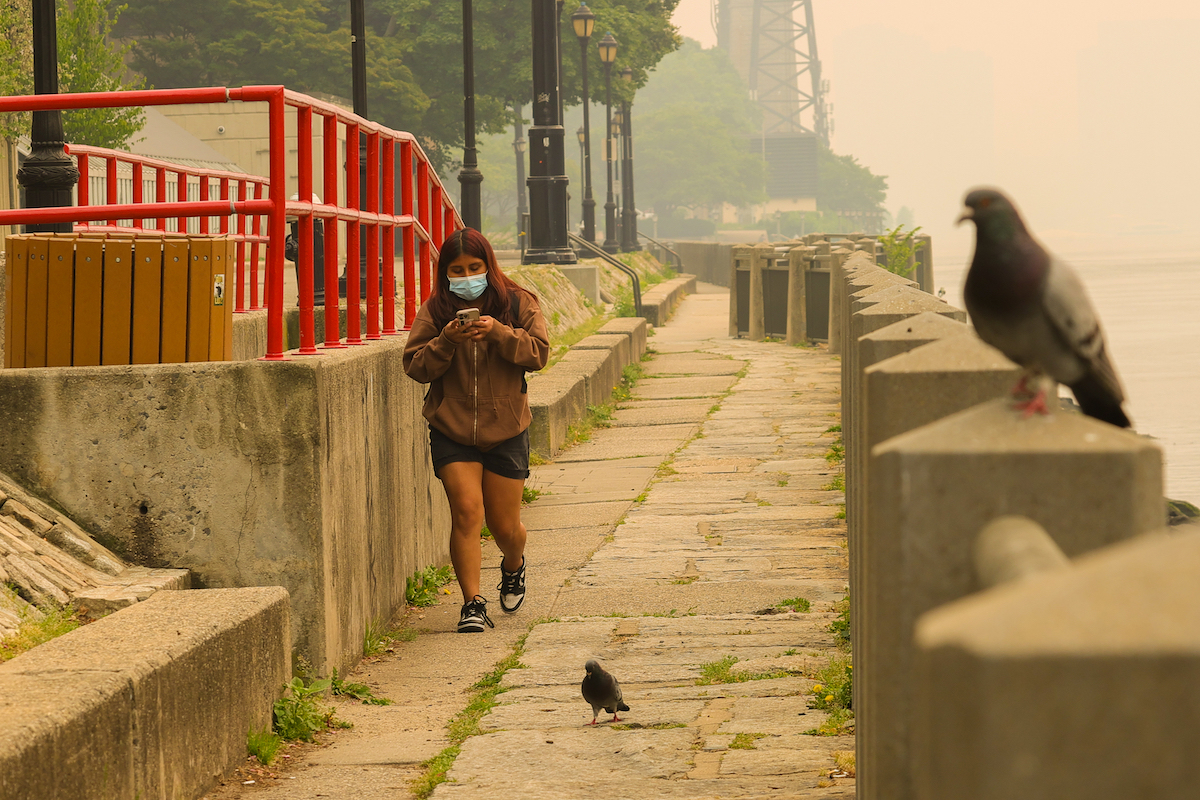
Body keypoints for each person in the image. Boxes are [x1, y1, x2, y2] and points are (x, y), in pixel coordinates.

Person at [403, 228, 550, 633]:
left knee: (505, 528)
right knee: (467, 512)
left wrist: (499, 332)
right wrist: (446, 340)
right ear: (445, 273)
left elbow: (538, 354)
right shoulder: (436, 310)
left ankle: (513, 564)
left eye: (474, 267)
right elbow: (415, 365)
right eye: (457, 270)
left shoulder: (517, 302)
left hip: (506, 427)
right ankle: (471, 603)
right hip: (451, 427)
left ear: (489, 266)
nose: (467, 276)